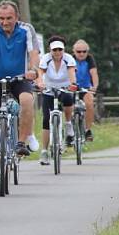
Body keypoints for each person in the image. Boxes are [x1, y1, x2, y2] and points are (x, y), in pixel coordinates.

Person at [0, 0, 41, 172]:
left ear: (17, 17)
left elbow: (33, 53)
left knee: (27, 100)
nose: (5, 22)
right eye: (1, 18)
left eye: (9, 18)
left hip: (20, 78)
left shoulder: (26, 29)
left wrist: (33, 69)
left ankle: (21, 142)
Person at [37, 36, 77, 165]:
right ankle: (44, 151)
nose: (57, 52)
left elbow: (71, 72)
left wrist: (72, 83)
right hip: (49, 89)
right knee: (46, 119)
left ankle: (69, 124)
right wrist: (40, 83)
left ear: (64, 50)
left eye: (60, 49)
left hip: (64, 87)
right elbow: (41, 72)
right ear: (50, 50)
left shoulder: (68, 59)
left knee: (68, 99)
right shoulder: (45, 59)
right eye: (55, 50)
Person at [72, 39, 99, 142]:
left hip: (85, 87)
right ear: (74, 51)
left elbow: (94, 73)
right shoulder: (70, 59)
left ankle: (88, 130)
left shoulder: (89, 59)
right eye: (79, 52)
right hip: (72, 87)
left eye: (84, 51)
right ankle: (70, 130)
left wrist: (95, 86)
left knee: (89, 103)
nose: (82, 54)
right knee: (68, 106)